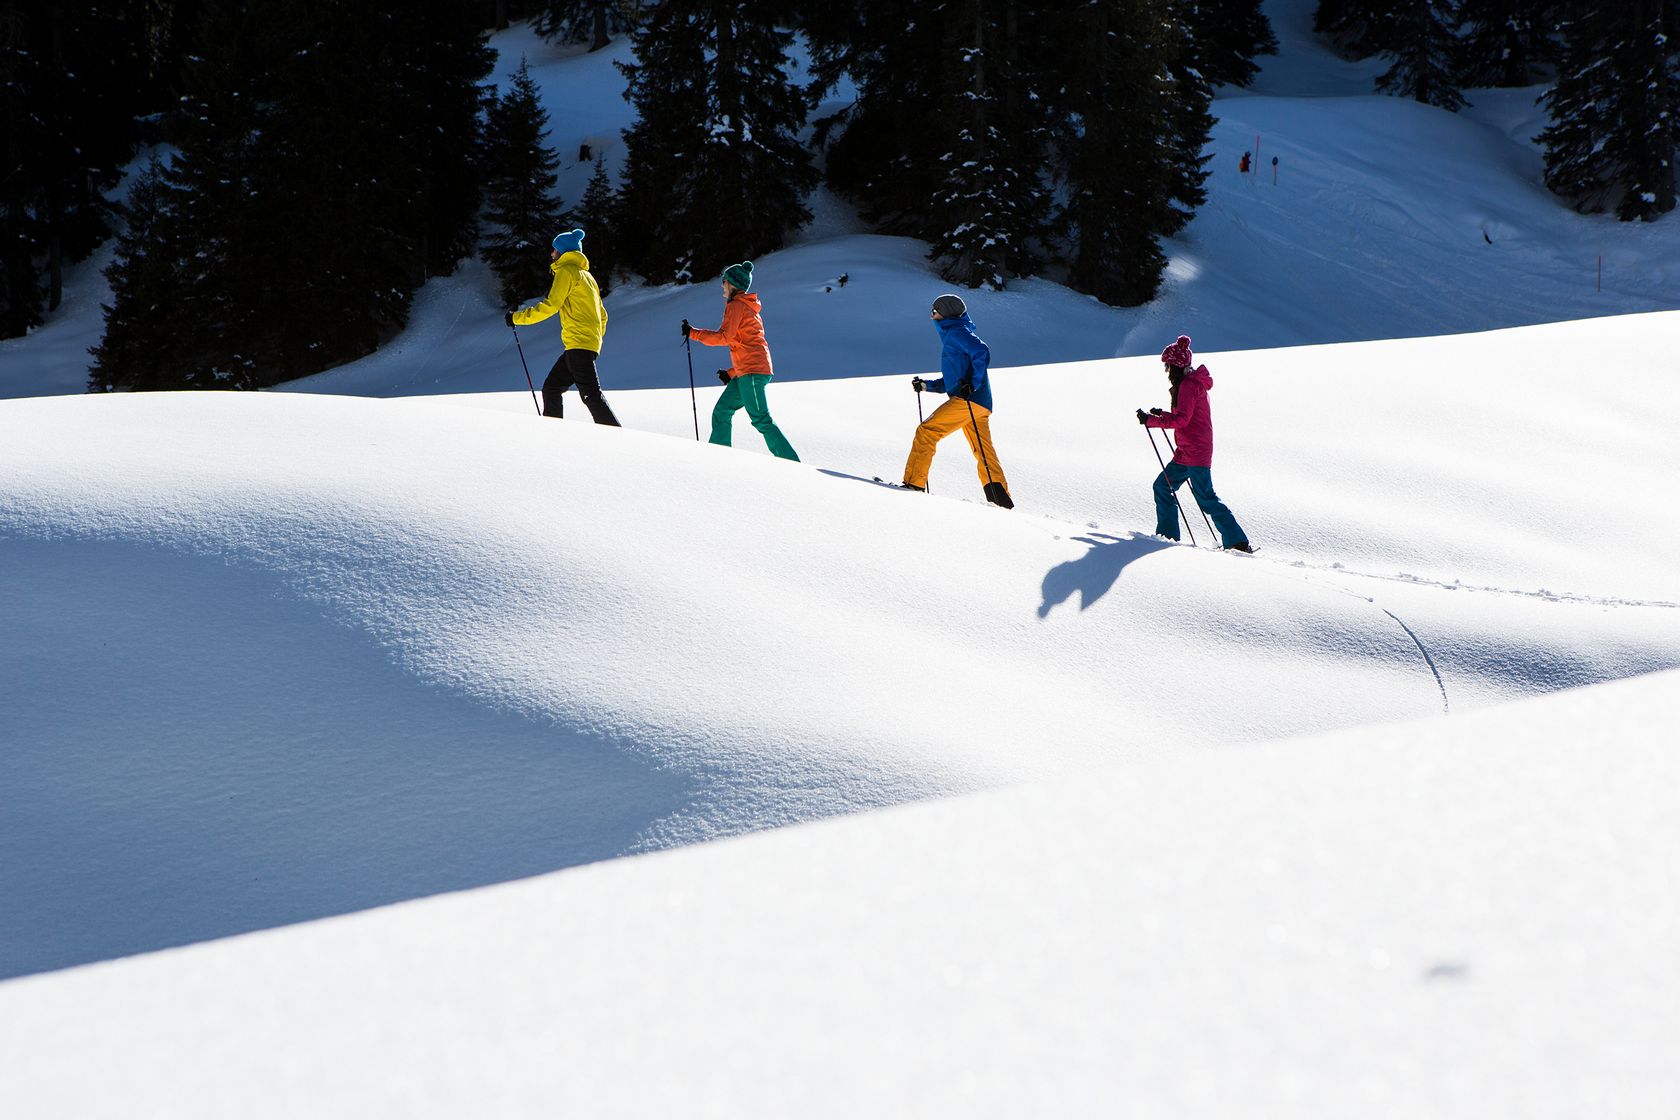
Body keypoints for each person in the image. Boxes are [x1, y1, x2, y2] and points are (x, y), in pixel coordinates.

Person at [1138, 334, 1251, 552]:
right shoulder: (1189, 384)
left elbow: (1182, 420)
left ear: (1176, 366)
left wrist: (1152, 420)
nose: (1166, 371)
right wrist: (1161, 413)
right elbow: (1184, 415)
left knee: (1206, 498)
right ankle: (1167, 536)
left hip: (1195, 452)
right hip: (1187, 451)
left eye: (1168, 366)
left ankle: (1237, 541)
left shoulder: (1189, 386)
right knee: (1163, 486)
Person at [681, 260, 799, 461]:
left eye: (724, 281)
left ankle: (791, 463)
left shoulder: (737, 306)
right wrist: (732, 373)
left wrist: (694, 333)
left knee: (761, 419)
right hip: (748, 371)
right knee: (722, 411)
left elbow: (725, 337)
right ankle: (720, 456)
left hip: (753, 372)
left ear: (732, 284)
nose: (722, 285)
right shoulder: (744, 307)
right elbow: (744, 343)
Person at [903, 293, 1013, 508]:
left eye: (934, 310)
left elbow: (982, 351)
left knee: (927, 431)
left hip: (969, 400)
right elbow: (954, 379)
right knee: (983, 450)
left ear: (945, 313)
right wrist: (927, 386)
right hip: (979, 403)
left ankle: (913, 484)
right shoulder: (955, 333)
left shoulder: (955, 332)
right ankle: (1001, 499)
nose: (931, 314)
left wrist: (974, 383)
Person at [508, 228, 620, 426]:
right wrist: (594, 338)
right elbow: (603, 315)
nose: (551, 253)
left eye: (554, 249)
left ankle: (618, 438)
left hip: (579, 344)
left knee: (591, 395)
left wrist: (517, 318)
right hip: (582, 344)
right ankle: (554, 433)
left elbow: (551, 305)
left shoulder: (567, 272)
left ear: (563, 252)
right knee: (551, 388)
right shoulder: (588, 277)